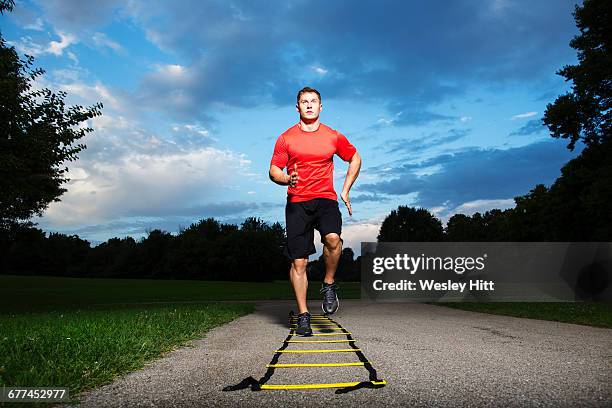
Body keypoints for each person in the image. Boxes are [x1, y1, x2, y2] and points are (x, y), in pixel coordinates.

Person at [269, 87, 362, 336]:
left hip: (325, 199)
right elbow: (273, 170)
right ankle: (303, 315)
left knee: (333, 239)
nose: (309, 105)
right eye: (304, 101)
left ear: (321, 107)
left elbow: (355, 158)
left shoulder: (333, 136)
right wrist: (287, 178)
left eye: (313, 101)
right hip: (298, 202)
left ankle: (329, 283)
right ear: (297, 107)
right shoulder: (286, 138)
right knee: (299, 261)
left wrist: (345, 190)